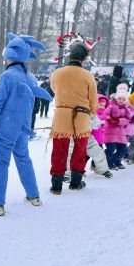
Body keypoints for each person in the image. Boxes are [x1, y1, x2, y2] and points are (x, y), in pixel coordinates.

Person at [0, 34, 52, 215]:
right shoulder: (31, 78)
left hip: (6, 128)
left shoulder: (7, 76)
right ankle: (34, 195)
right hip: (22, 128)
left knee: (1, 163)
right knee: (24, 160)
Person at [48, 42, 97, 194]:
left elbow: (54, 89)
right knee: (80, 149)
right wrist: (92, 112)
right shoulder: (88, 76)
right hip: (81, 115)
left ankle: (56, 184)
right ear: (84, 58)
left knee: (59, 150)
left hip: (62, 114)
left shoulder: (57, 73)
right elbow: (93, 100)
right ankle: (75, 182)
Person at [104, 86, 133, 170]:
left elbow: (128, 119)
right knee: (111, 149)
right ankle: (108, 163)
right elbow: (105, 114)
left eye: (123, 99)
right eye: (119, 98)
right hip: (111, 131)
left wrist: (118, 121)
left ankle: (116, 161)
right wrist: (109, 119)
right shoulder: (111, 106)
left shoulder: (126, 108)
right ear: (116, 98)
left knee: (123, 149)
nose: (121, 101)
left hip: (121, 132)